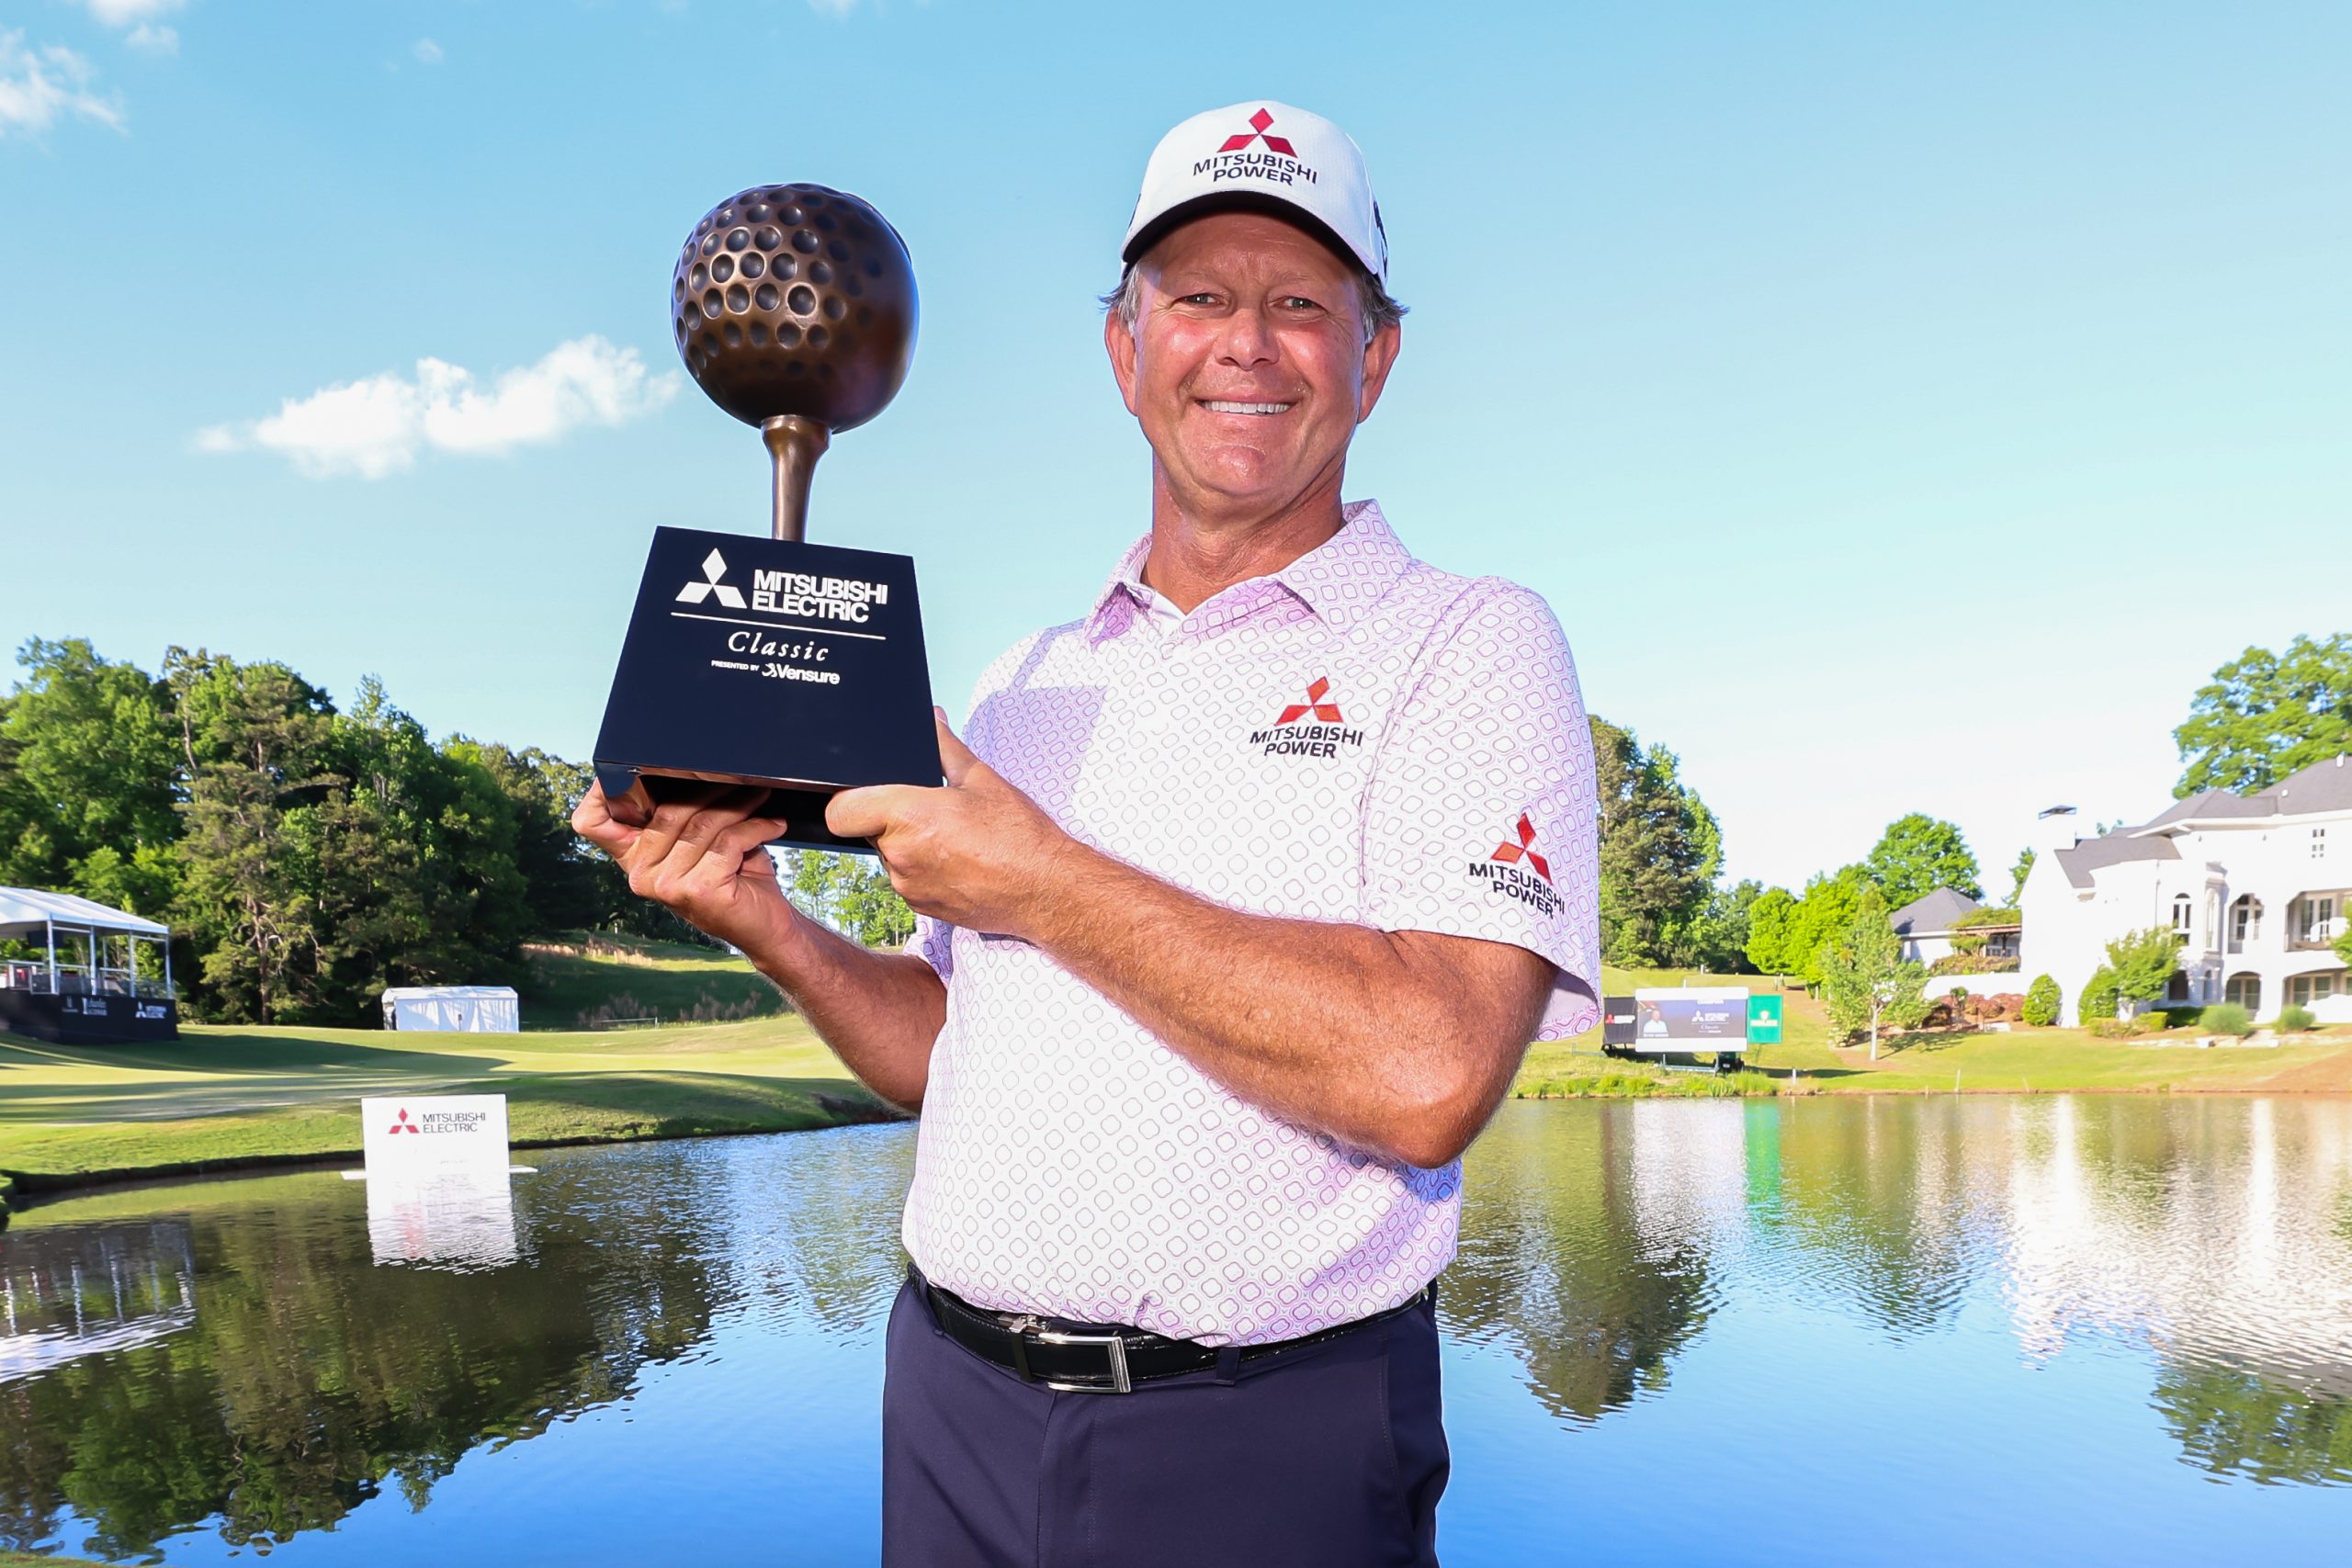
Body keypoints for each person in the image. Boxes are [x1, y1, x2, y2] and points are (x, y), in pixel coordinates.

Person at [574, 100, 1599, 1567]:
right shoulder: (1027, 679)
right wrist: (768, 925)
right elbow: (947, 1046)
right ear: (1127, 352)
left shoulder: (1470, 644)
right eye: (1196, 298)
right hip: (951, 1411)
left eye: (1301, 303)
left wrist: (1042, 879)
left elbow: (1428, 1074)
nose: (1245, 342)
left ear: (1375, 357)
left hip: (1265, 1441)